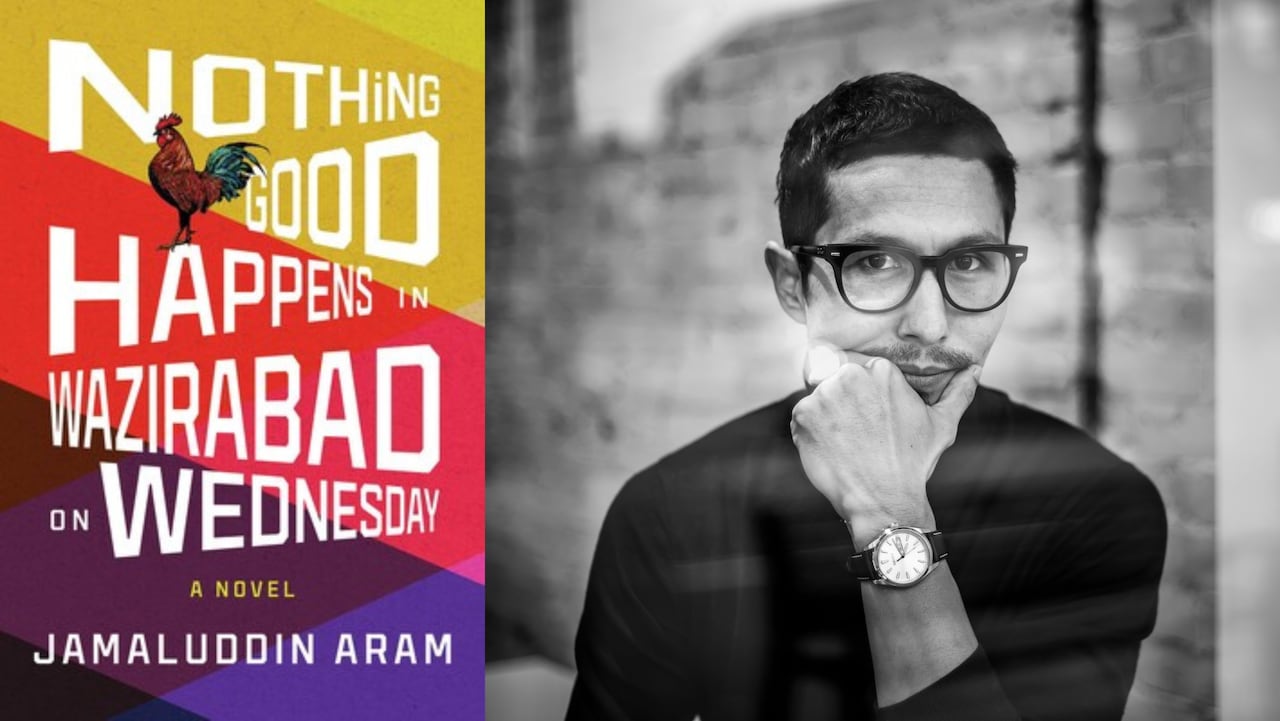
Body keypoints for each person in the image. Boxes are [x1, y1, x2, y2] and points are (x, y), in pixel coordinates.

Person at [566, 73, 1167, 721]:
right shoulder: (668, 509)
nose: (931, 324)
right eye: (876, 262)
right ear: (794, 285)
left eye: (970, 263)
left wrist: (888, 513)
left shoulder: (1099, 502)